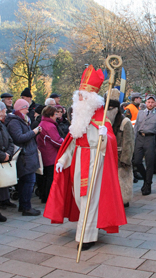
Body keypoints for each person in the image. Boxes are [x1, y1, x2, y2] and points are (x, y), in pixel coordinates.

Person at [44, 65, 126, 251]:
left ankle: (85, 237)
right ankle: (87, 230)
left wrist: (105, 135)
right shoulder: (78, 118)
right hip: (79, 161)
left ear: (90, 99)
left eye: (82, 96)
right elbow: (72, 143)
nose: (79, 99)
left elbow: (109, 144)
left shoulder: (101, 117)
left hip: (95, 161)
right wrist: (62, 160)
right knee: (80, 198)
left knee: (90, 199)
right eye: (78, 96)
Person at [5, 99, 42, 216]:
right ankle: (26, 207)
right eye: (26, 107)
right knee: (29, 181)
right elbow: (19, 138)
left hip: (27, 155)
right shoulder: (15, 122)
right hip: (24, 156)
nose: (28, 109)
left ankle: (24, 205)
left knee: (26, 181)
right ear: (21, 108)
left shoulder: (22, 120)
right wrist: (34, 132)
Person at [133, 95, 156, 195]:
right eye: (148, 102)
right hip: (139, 138)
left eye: (152, 102)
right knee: (137, 161)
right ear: (145, 103)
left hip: (150, 139)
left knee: (149, 163)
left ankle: (148, 185)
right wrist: (133, 141)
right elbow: (136, 127)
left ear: (155, 104)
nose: (150, 104)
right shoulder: (140, 113)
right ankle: (147, 179)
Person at [108, 89, 134, 206]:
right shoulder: (105, 122)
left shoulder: (125, 122)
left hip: (121, 156)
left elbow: (128, 143)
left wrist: (126, 159)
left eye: (111, 108)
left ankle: (124, 200)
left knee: (122, 180)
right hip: (108, 156)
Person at [36, 105, 64, 203]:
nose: (57, 116)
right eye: (56, 114)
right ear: (51, 115)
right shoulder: (49, 126)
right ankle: (48, 198)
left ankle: (44, 196)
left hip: (45, 153)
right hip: (50, 155)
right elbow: (56, 141)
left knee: (45, 177)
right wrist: (66, 142)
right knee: (50, 178)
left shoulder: (43, 123)